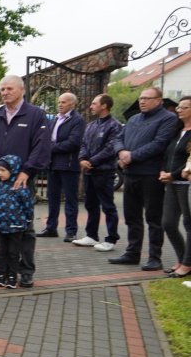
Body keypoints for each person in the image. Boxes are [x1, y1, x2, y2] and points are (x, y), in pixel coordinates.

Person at [0, 75, 51, 287]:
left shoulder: (36, 115)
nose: (5, 92)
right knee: (0, 226)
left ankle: (26, 270)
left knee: (24, 228)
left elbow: (42, 147)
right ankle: (4, 267)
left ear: (21, 90)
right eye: (2, 89)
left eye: (9, 88)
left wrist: (27, 171)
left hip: (22, 183)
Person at [110, 86, 179, 271]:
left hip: (151, 174)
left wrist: (131, 156)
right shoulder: (133, 118)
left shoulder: (168, 119)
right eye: (141, 98)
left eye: (147, 98)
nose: (142, 101)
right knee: (132, 217)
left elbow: (159, 144)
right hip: (131, 174)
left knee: (153, 218)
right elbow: (118, 138)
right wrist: (122, 152)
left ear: (159, 101)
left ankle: (155, 257)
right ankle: (132, 253)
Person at [74, 94, 123, 252]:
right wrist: (82, 159)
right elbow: (83, 144)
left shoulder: (114, 125)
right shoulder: (91, 125)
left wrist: (92, 161)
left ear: (104, 106)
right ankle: (91, 235)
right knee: (90, 204)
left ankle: (111, 239)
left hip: (104, 172)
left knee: (108, 206)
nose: (91, 106)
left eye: (94, 103)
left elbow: (110, 148)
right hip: (89, 172)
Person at [37, 93, 85, 242]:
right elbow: (46, 138)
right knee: (52, 198)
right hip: (53, 164)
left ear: (72, 104)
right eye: (59, 102)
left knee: (70, 199)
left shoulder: (77, 120)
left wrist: (51, 148)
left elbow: (74, 142)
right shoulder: (56, 118)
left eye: (63, 102)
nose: (60, 104)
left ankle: (71, 231)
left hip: (69, 164)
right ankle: (51, 227)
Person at [0, 155, 35, 290]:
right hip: (2, 227)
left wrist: (27, 220)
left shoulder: (20, 187)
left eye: (3, 170)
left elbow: (28, 206)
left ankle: (12, 275)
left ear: (13, 170)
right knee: (1, 252)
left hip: (16, 227)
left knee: (13, 252)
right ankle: (1, 273)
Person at [160, 96, 191, 277]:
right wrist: (163, 171)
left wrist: (173, 174)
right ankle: (181, 259)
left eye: (184, 107)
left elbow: (189, 161)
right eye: (179, 107)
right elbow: (168, 155)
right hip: (171, 183)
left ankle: (187, 264)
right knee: (168, 223)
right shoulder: (177, 131)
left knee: (189, 224)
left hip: (185, 183)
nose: (178, 110)